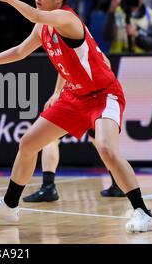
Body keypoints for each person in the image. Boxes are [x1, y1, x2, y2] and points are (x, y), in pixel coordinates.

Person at [0, 0, 152, 233]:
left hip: (103, 94)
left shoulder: (66, 18)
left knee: (106, 148)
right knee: (28, 144)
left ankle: (142, 211)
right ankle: (9, 205)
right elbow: (19, 52)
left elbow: (36, 16)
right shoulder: (43, 27)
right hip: (74, 96)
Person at [24, 65, 124, 203]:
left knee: (50, 140)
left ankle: (48, 186)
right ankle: (118, 183)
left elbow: (65, 70)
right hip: (99, 99)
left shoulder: (74, 48)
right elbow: (106, 68)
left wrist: (57, 92)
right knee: (99, 142)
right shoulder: (94, 52)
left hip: (79, 101)